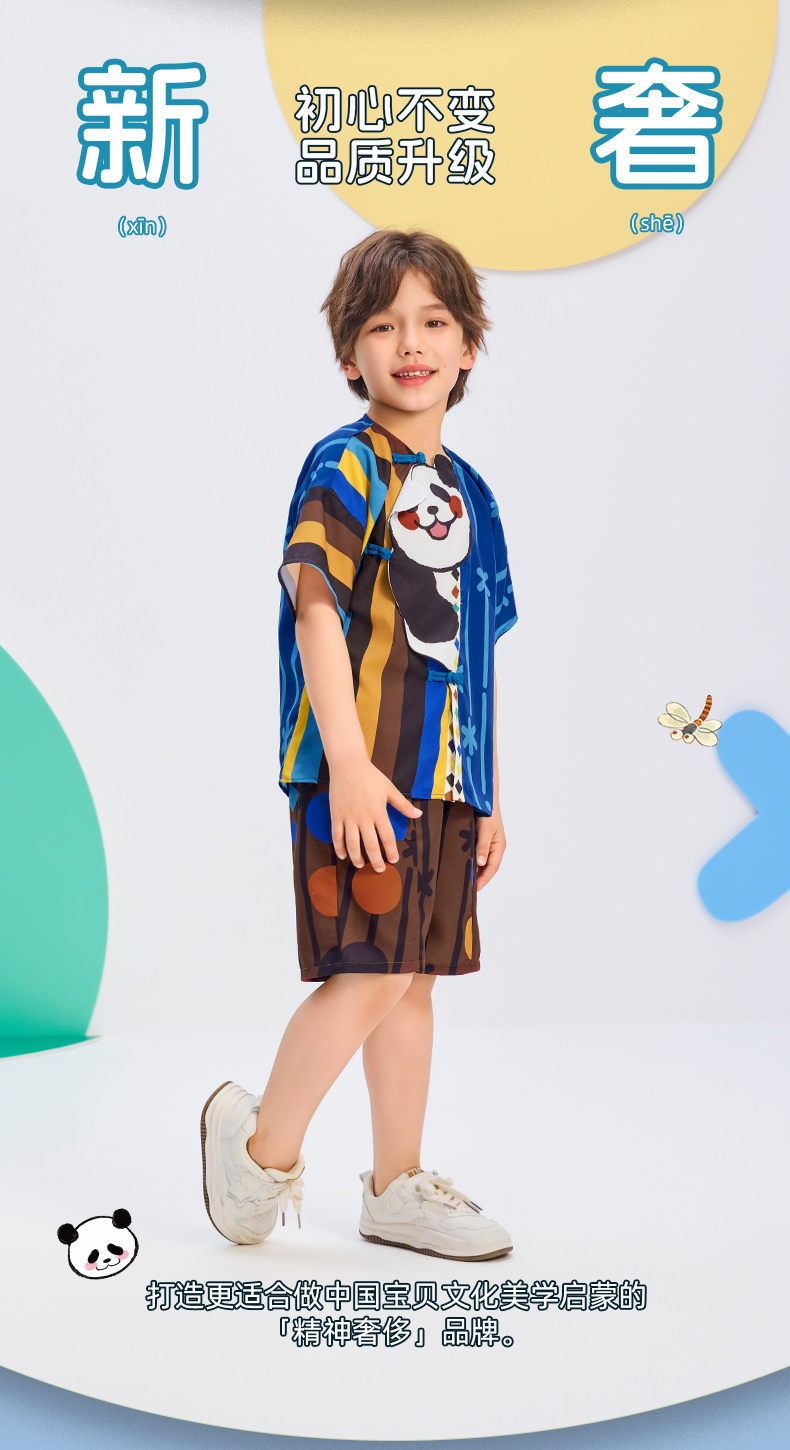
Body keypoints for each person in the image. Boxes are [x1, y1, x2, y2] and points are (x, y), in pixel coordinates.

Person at [201, 229, 517, 1261]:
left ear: (467, 346)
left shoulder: (471, 494)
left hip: (443, 780)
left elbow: (474, 652)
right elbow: (315, 607)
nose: (410, 344)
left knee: (414, 980)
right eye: (383, 326)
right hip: (360, 771)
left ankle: (395, 1185)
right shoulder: (345, 464)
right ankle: (258, 1157)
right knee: (370, 972)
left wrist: (488, 792)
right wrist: (345, 762)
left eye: (434, 322)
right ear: (350, 354)